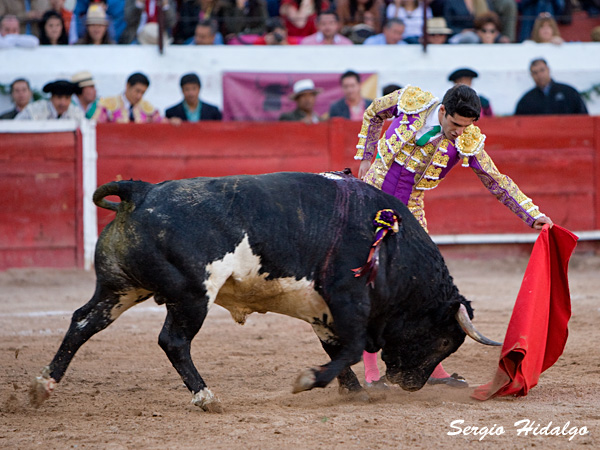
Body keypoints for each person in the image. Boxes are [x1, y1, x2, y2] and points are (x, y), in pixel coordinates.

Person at [355, 84, 553, 388]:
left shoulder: (467, 139)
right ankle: (370, 373)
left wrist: (532, 215)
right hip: (370, 199)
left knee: (422, 287)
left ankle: (431, 366)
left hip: (411, 213)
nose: (460, 132)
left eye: (467, 126)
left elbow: (495, 180)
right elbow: (373, 113)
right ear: (444, 111)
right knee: (371, 281)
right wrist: (366, 156)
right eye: (456, 124)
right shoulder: (412, 101)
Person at [515, 58, 588, 115]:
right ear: (531, 76)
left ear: (548, 70)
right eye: (535, 73)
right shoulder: (527, 100)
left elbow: (583, 116)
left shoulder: (568, 92)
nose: (539, 75)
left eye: (542, 70)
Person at [92, 72, 164, 123]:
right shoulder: (107, 104)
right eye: (137, 91)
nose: (139, 96)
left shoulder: (147, 107)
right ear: (128, 86)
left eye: (143, 93)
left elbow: (161, 122)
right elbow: (97, 125)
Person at [16, 79, 84, 120]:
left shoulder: (76, 113)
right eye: (59, 97)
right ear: (52, 97)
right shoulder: (34, 110)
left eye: (67, 98)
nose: (63, 103)